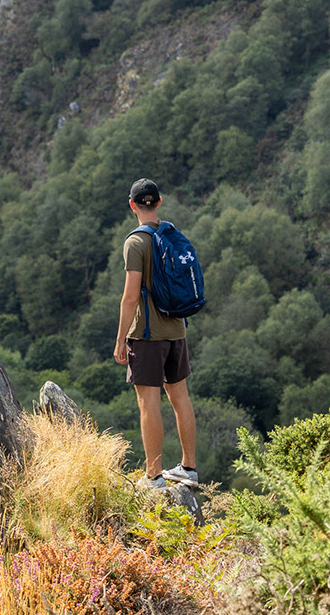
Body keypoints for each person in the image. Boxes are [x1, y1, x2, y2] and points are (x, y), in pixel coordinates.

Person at [112, 178, 199, 489]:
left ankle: (153, 476)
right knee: (180, 398)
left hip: (147, 336)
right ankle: (188, 467)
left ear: (133, 205)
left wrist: (121, 338)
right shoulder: (172, 235)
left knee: (148, 403)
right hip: (177, 330)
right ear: (159, 202)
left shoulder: (135, 243)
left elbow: (130, 297)